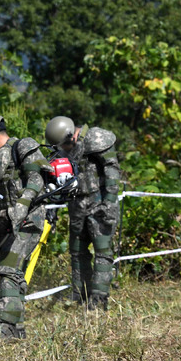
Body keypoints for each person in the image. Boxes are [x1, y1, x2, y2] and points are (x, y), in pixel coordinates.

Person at [0, 113, 50, 340]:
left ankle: (5, 329)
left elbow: (37, 179)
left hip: (29, 219)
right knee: (13, 272)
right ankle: (17, 328)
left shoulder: (22, 146)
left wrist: (22, 205)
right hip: (9, 223)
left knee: (8, 269)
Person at [45, 116, 120, 310]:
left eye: (66, 145)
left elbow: (112, 172)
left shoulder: (95, 139)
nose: (65, 150)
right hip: (77, 205)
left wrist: (109, 204)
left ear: (72, 136)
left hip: (99, 204)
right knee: (77, 252)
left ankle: (99, 299)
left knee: (102, 252)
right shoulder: (61, 149)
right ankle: (79, 294)